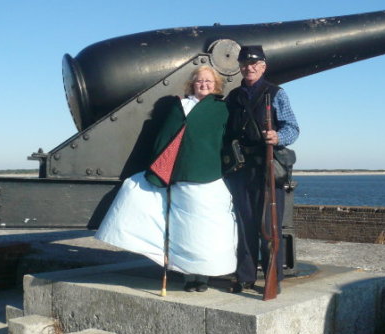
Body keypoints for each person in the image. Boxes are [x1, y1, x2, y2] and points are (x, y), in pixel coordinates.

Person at [96, 65, 237, 293]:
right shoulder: (179, 107)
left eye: (209, 82)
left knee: (205, 230)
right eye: (200, 81)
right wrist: (162, 168)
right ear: (193, 84)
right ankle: (187, 276)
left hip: (207, 176)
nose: (204, 85)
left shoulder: (221, 109)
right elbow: (166, 139)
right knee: (183, 229)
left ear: (216, 85)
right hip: (180, 176)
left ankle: (203, 277)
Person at [225, 45, 300, 293]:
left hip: (267, 168)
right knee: (245, 224)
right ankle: (245, 275)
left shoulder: (276, 94)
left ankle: (272, 277)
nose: (249, 68)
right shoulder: (233, 98)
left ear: (263, 66)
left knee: (270, 226)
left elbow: (292, 128)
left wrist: (277, 137)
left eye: (254, 64)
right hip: (241, 169)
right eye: (245, 64)